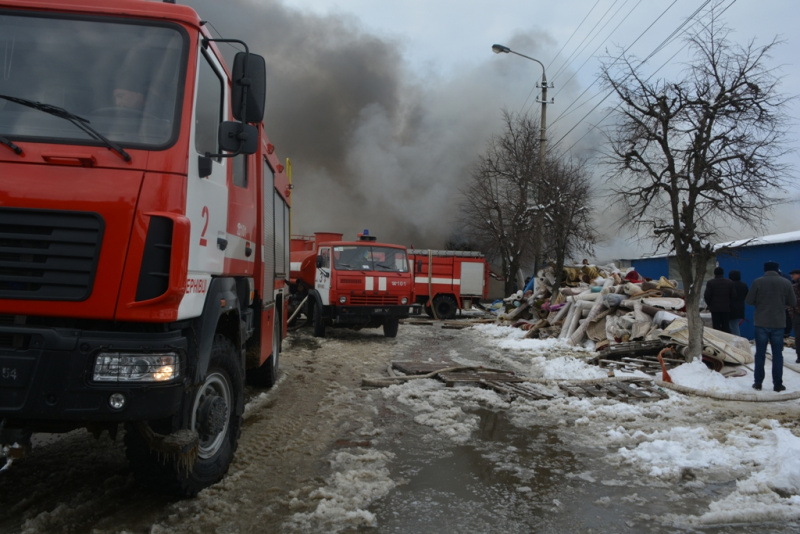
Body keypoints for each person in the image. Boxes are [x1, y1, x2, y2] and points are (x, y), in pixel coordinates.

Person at [745, 261, 797, 392]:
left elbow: (749, 301)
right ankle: (778, 384)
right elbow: (792, 302)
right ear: (777, 270)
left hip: (761, 322)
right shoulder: (786, 282)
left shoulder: (758, 282)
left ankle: (758, 383)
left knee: (760, 354)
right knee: (778, 354)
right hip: (778, 322)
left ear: (765, 269)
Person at [703, 266, 735, 333]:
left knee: (716, 326)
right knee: (726, 326)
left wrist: (710, 304)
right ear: (723, 273)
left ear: (714, 273)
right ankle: (726, 340)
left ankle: (718, 341)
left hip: (715, 308)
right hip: (726, 308)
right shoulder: (730, 282)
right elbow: (733, 295)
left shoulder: (710, 282)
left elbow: (706, 295)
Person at [728, 270, 748, 336]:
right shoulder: (744, 285)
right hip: (740, 307)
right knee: (735, 324)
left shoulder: (730, 284)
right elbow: (746, 296)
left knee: (733, 326)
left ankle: (736, 341)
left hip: (730, 308)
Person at [791, 269, 800, 364]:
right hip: (797, 314)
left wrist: (792, 314)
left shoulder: (794, 287)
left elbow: (790, 303)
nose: (792, 276)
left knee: (798, 336)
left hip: (797, 314)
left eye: (793, 274)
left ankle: (799, 356)